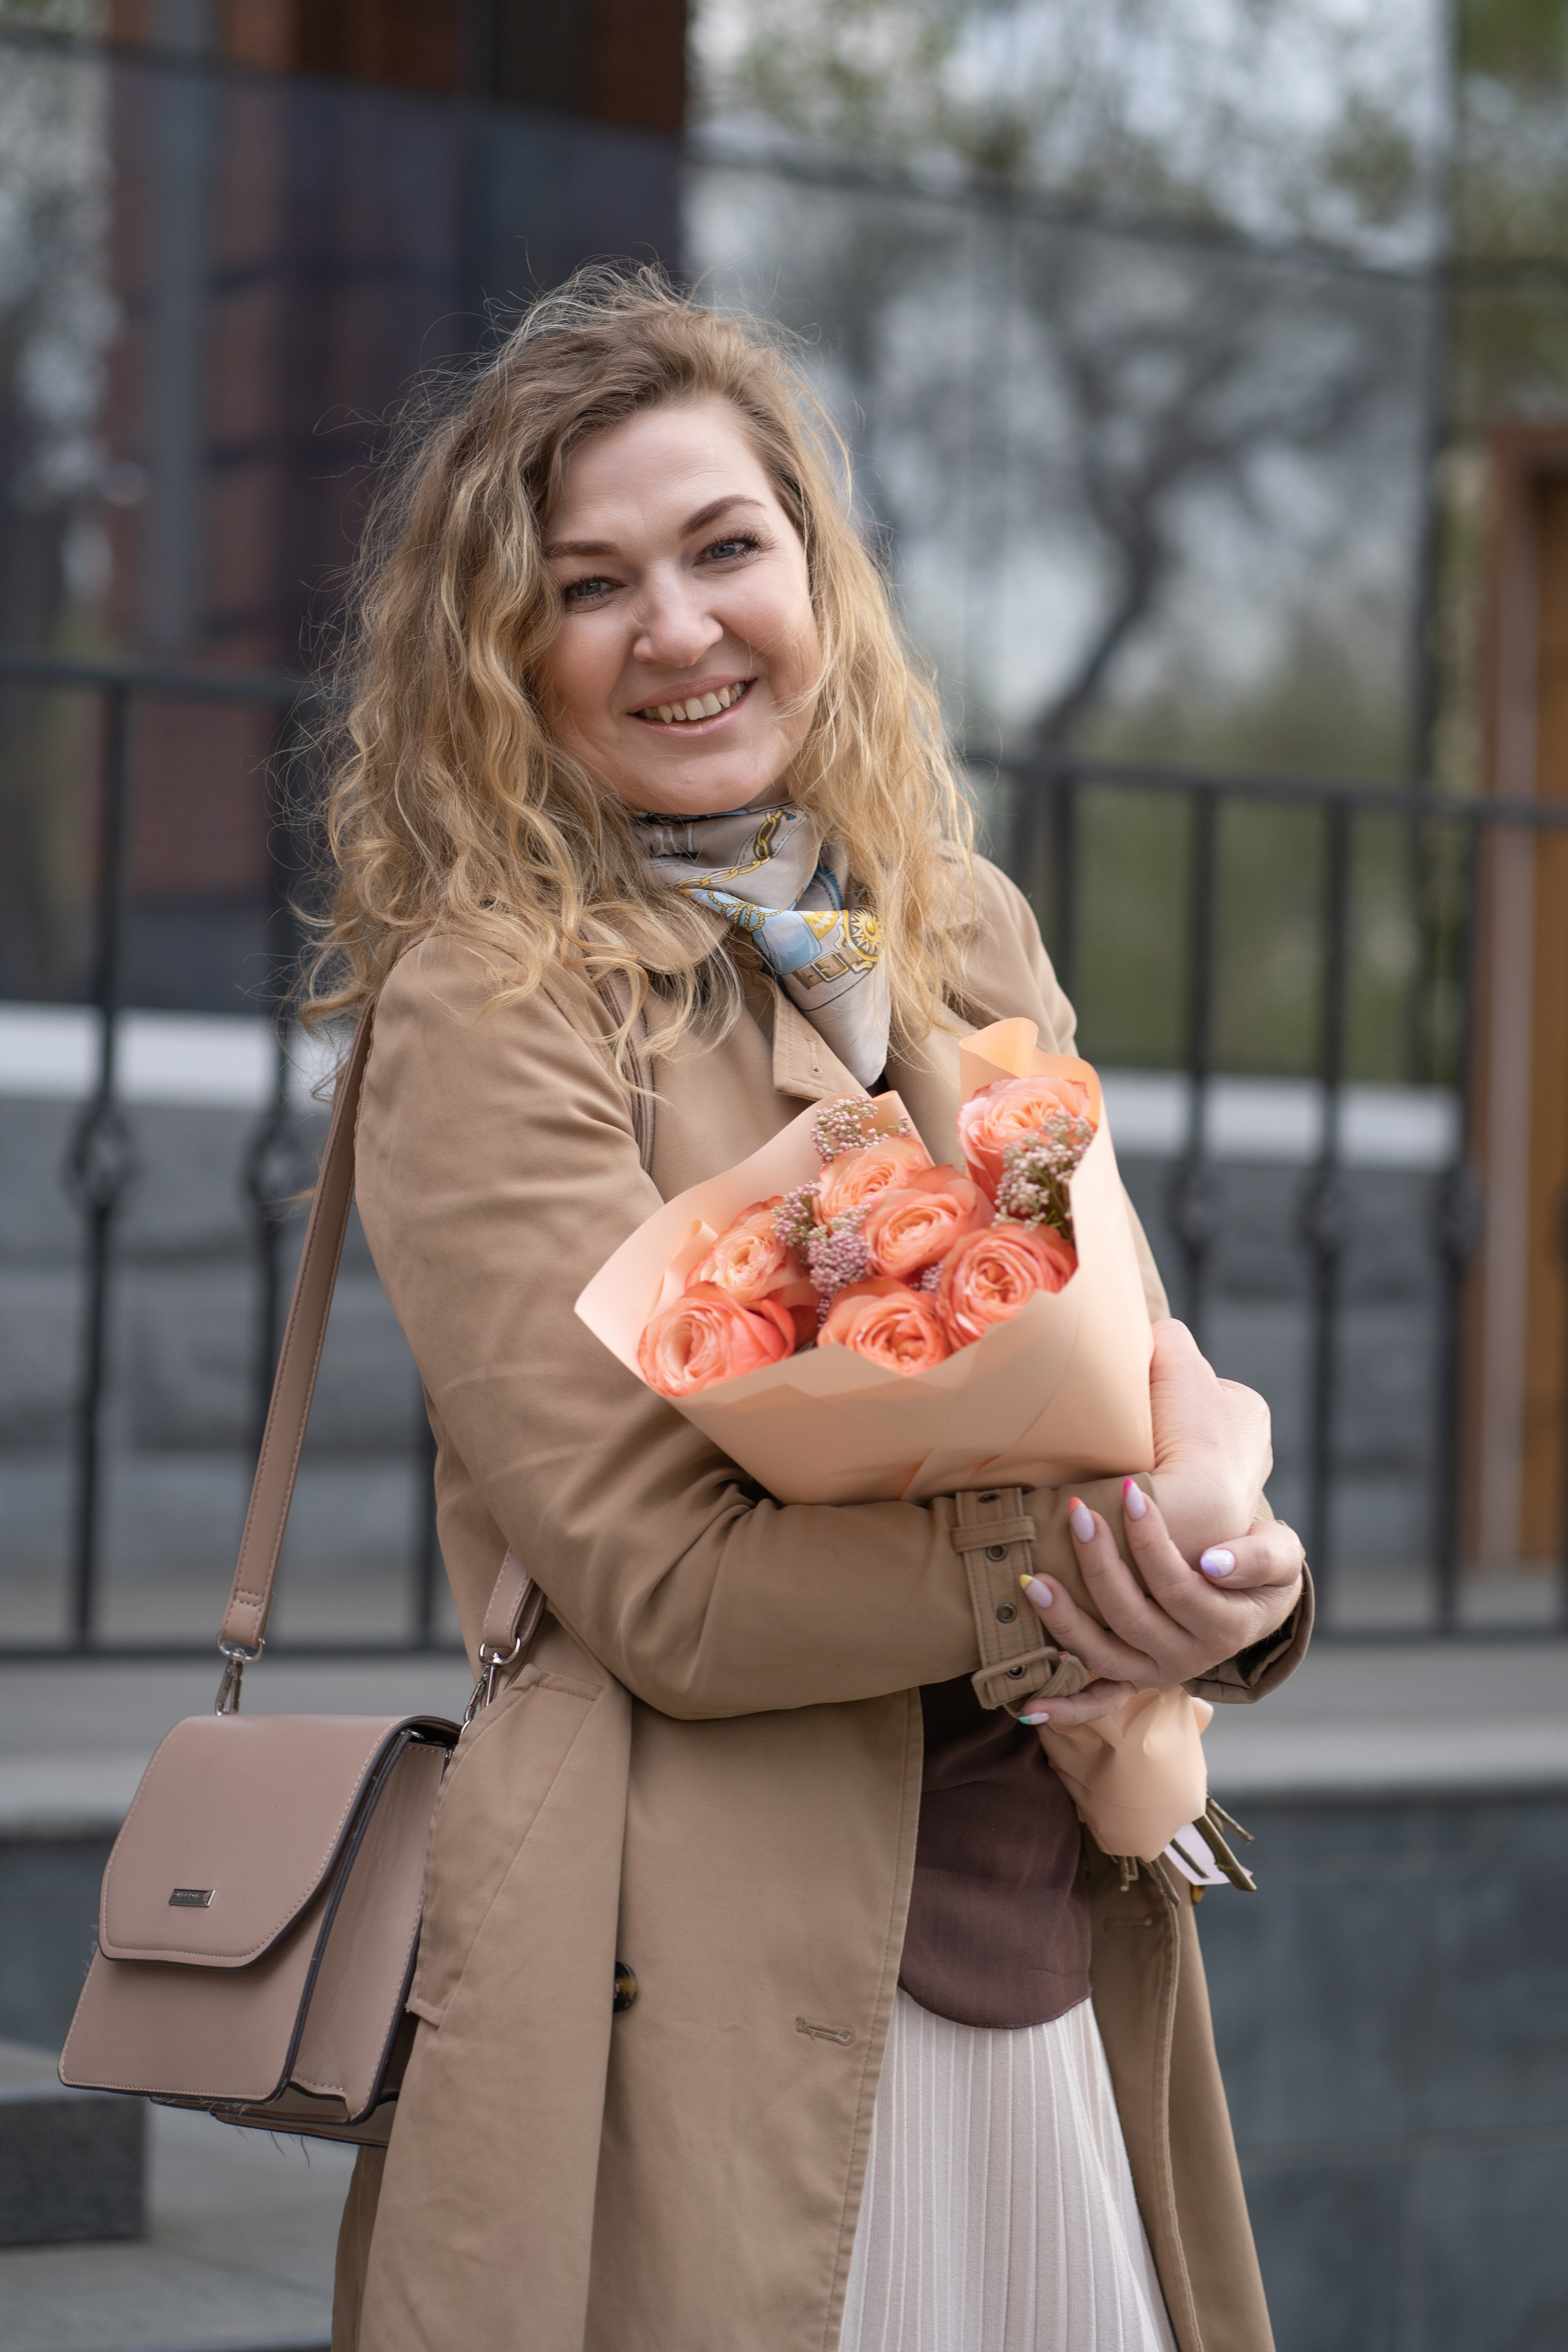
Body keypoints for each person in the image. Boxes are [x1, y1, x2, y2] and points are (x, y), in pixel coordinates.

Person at [317, 271, 1309, 2352]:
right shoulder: (494, 1008)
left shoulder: (945, 928)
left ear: (812, 570)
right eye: (587, 587)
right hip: (696, 1981)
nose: (674, 629)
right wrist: (1102, 1568)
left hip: (1048, 1933)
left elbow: (1137, 1373)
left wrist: (1240, 1576)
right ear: (506, 657)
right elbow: (659, 1585)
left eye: (721, 548)